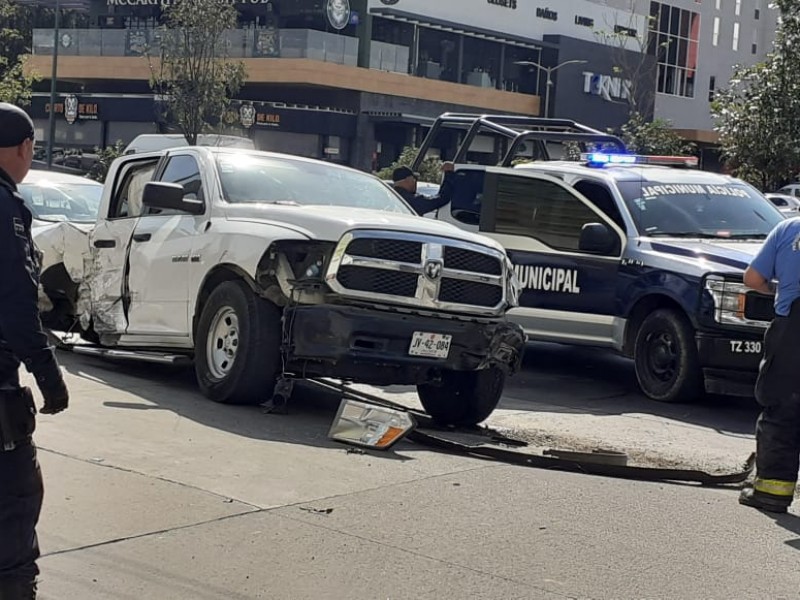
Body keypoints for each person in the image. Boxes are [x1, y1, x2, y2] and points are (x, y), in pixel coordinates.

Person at [0, 103, 69, 599]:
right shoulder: (5, 208)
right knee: (12, 530)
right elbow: (15, 301)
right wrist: (49, 375)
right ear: (24, 149)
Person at [739, 216, 800, 513]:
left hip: (793, 332)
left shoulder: (789, 229)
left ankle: (771, 492)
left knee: (782, 409)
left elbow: (752, 279)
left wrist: (778, 289)